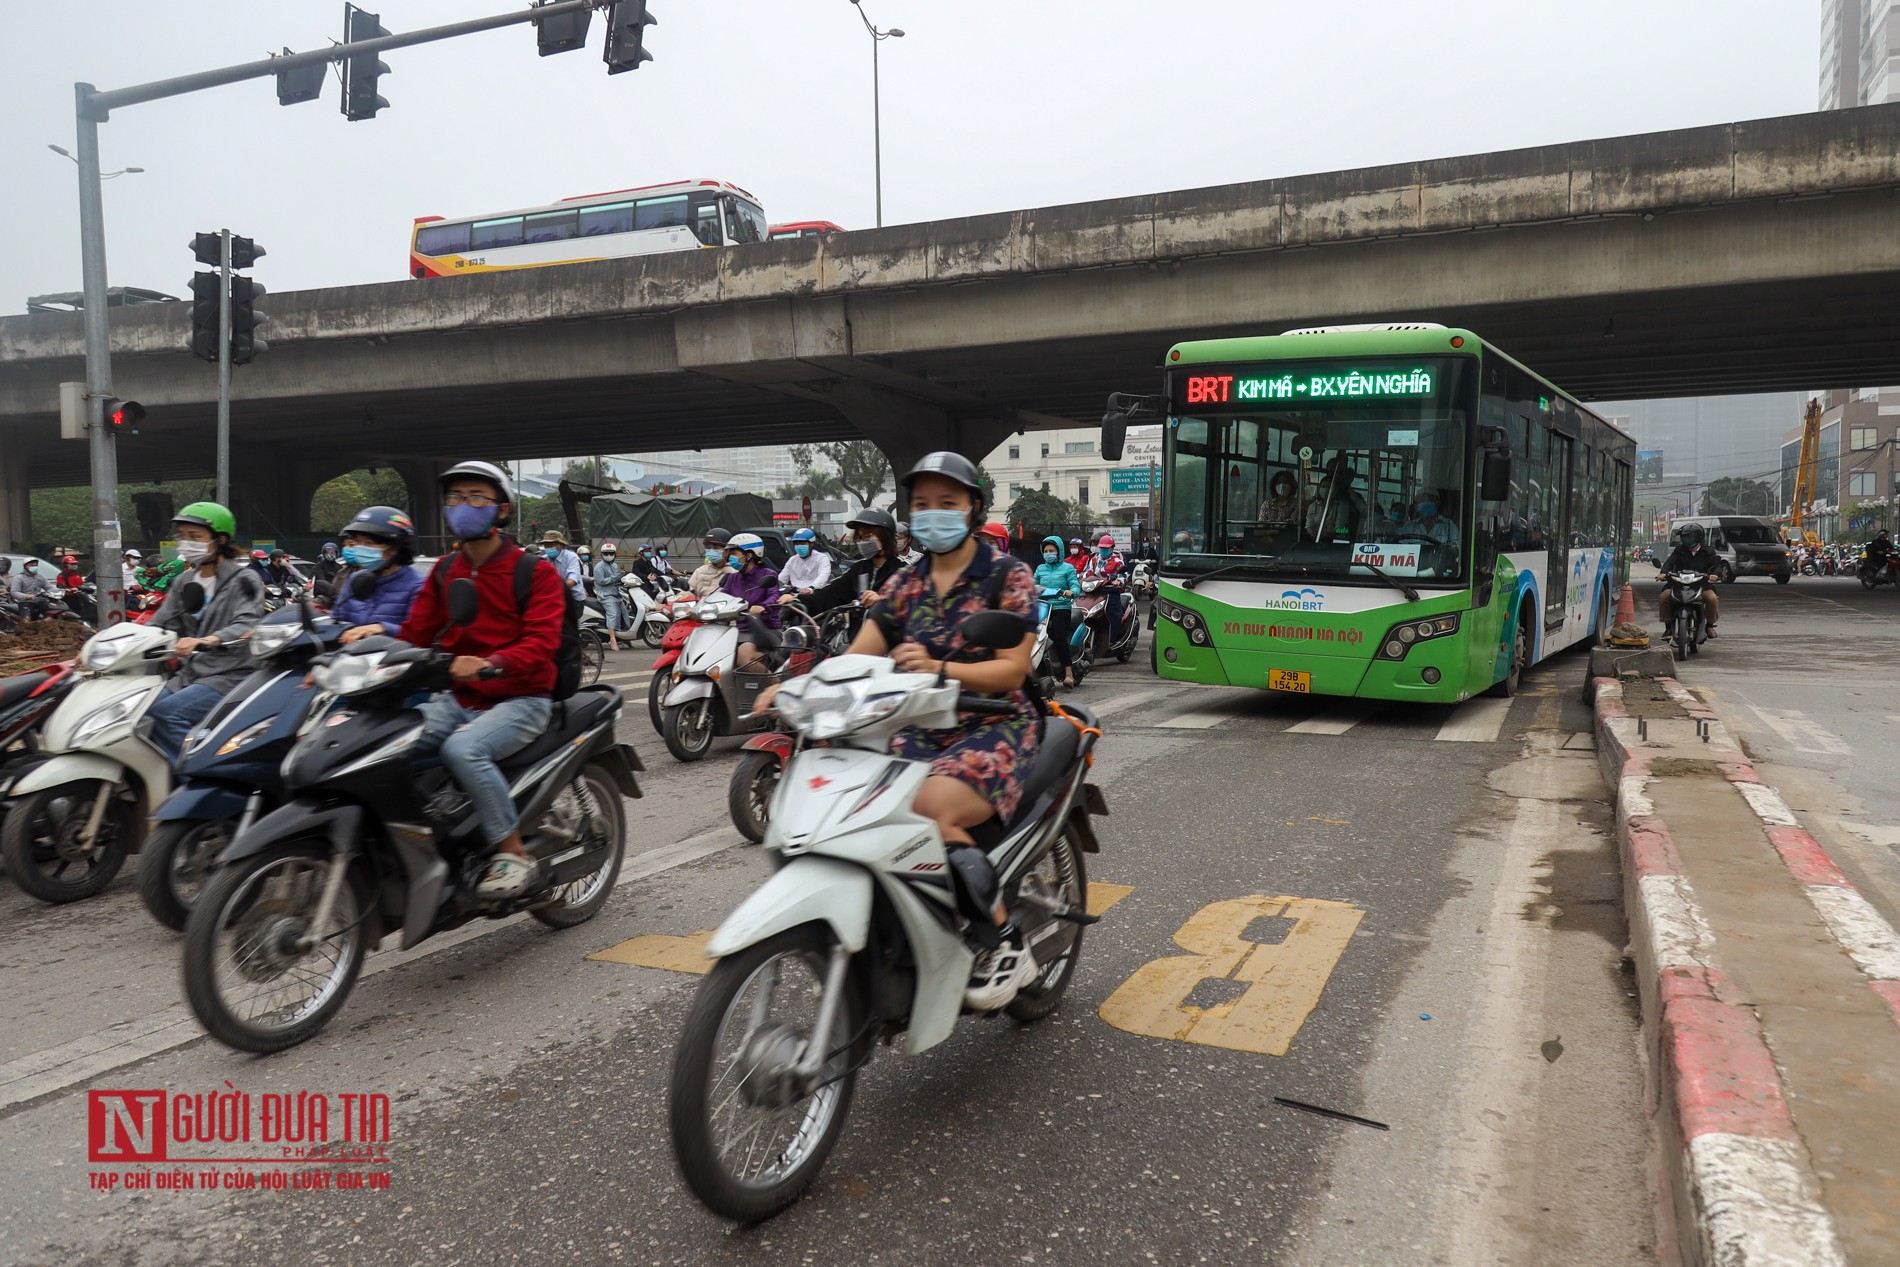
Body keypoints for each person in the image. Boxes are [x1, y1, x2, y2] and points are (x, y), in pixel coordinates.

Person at [829, 451, 1043, 1010]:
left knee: (927, 809)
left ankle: (1005, 941)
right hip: (919, 725)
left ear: (973, 507)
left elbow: (1012, 669)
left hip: (994, 723)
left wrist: (941, 667)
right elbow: (858, 657)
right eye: (921, 504)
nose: (932, 514)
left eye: (947, 503)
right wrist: (800, 687)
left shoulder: (1008, 574)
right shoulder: (905, 583)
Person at [340, 460, 565, 899]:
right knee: (382, 744)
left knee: (462, 748)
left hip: (522, 697)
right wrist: (349, 669)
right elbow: (413, 636)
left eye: (475, 498)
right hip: (459, 697)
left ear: (501, 510)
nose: (463, 506)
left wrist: (488, 663)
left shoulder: (533, 572)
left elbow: (542, 644)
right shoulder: (445, 570)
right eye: (455, 498)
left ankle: (513, 851)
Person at [147, 503, 266, 758]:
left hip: (230, 674)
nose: (186, 543)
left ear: (220, 540)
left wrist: (205, 640)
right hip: (190, 673)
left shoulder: (244, 580)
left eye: (195, 537)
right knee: (140, 711)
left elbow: (247, 625)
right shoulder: (184, 581)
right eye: (183, 537)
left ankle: (193, 778)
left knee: (167, 714)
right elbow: (160, 621)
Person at [793, 508, 905, 616]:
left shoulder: (903, 572)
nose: (862, 542)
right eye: (859, 537)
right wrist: (797, 600)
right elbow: (830, 594)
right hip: (857, 634)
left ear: (886, 537)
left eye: (867, 535)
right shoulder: (858, 570)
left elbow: (911, 605)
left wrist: (883, 601)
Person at [328, 506, 424, 631]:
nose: (361, 548)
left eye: (368, 543)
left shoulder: (417, 586)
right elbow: (336, 619)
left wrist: (383, 629)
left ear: (394, 548)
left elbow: (420, 634)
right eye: (359, 542)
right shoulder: (356, 579)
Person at [720, 532, 781, 670]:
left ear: (749, 555)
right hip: (740, 631)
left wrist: (762, 607)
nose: (730, 557)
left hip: (764, 630)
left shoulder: (768, 574)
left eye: (734, 553)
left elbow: (774, 597)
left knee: (744, 655)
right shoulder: (732, 578)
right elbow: (722, 598)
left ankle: (774, 685)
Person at [1657, 523, 1723, 638]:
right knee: (1664, 597)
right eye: (1684, 537)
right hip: (1678, 584)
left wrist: (1715, 574)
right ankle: (1668, 627)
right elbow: (1669, 563)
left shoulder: (1708, 552)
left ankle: (1710, 625)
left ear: (1699, 537)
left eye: (1689, 537)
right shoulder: (1679, 550)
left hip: (1702, 585)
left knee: (1712, 599)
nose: (1686, 540)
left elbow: (1717, 566)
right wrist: (1663, 572)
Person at [1035, 534, 1081, 689]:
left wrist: (1071, 592)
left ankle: (1069, 673)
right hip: (1042, 608)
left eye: (1051, 550)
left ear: (1059, 551)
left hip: (1061, 608)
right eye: (1046, 551)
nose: (1048, 553)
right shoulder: (1040, 569)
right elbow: (1032, 585)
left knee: (1060, 638)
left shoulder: (1068, 568)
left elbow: (1075, 585)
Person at [1080, 534, 1131, 643]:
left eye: (1106, 548)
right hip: (1095, 591)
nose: (1103, 550)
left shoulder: (1117, 561)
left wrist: (1119, 581)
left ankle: (1114, 639)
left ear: (1112, 548)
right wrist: (1082, 580)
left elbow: (1124, 575)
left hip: (1111, 591)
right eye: (1102, 548)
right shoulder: (1093, 560)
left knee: (1114, 614)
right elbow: (1087, 574)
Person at [1306, 469, 1367, 543]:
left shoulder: (1342, 505)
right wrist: (1312, 532)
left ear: (1335, 489)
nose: (1325, 489)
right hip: (1316, 541)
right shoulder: (1313, 506)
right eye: (1323, 486)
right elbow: (1308, 525)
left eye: (1328, 487)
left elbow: (1342, 529)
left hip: (1337, 542)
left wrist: (1329, 532)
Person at [779, 527, 831, 595]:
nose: (799, 546)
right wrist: (778, 585)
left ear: (811, 544)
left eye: (803, 543)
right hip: (794, 596)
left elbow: (823, 576)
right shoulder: (792, 560)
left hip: (814, 595)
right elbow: (782, 579)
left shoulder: (822, 558)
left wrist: (811, 588)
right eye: (797, 544)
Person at [594, 542, 626, 652]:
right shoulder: (599, 567)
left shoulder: (614, 565)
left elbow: (617, 579)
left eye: (611, 553)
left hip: (616, 593)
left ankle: (623, 637)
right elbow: (601, 581)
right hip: (605, 595)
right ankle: (612, 640)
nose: (609, 555)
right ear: (602, 554)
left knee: (624, 613)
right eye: (606, 553)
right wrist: (616, 576)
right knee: (613, 614)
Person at [1256, 471, 1304, 543]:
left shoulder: (1296, 505)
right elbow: (1261, 526)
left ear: (1291, 485)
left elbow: (1289, 525)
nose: (1282, 485)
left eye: (1285, 482)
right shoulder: (1267, 504)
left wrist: (1271, 526)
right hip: (1266, 541)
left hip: (1287, 541)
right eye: (1279, 482)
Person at [539, 530, 587, 602]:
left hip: (573, 598)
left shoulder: (571, 557)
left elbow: (572, 580)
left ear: (561, 545)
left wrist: (554, 589)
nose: (548, 547)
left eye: (551, 545)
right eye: (546, 545)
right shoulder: (544, 559)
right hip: (554, 598)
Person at [688, 529, 735, 597]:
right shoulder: (700, 571)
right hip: (700, 606)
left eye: (716, 548)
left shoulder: (735, 572)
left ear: (727, 551)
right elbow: (689, 591)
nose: (711, 550)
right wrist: (683, 596)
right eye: (708, 547)